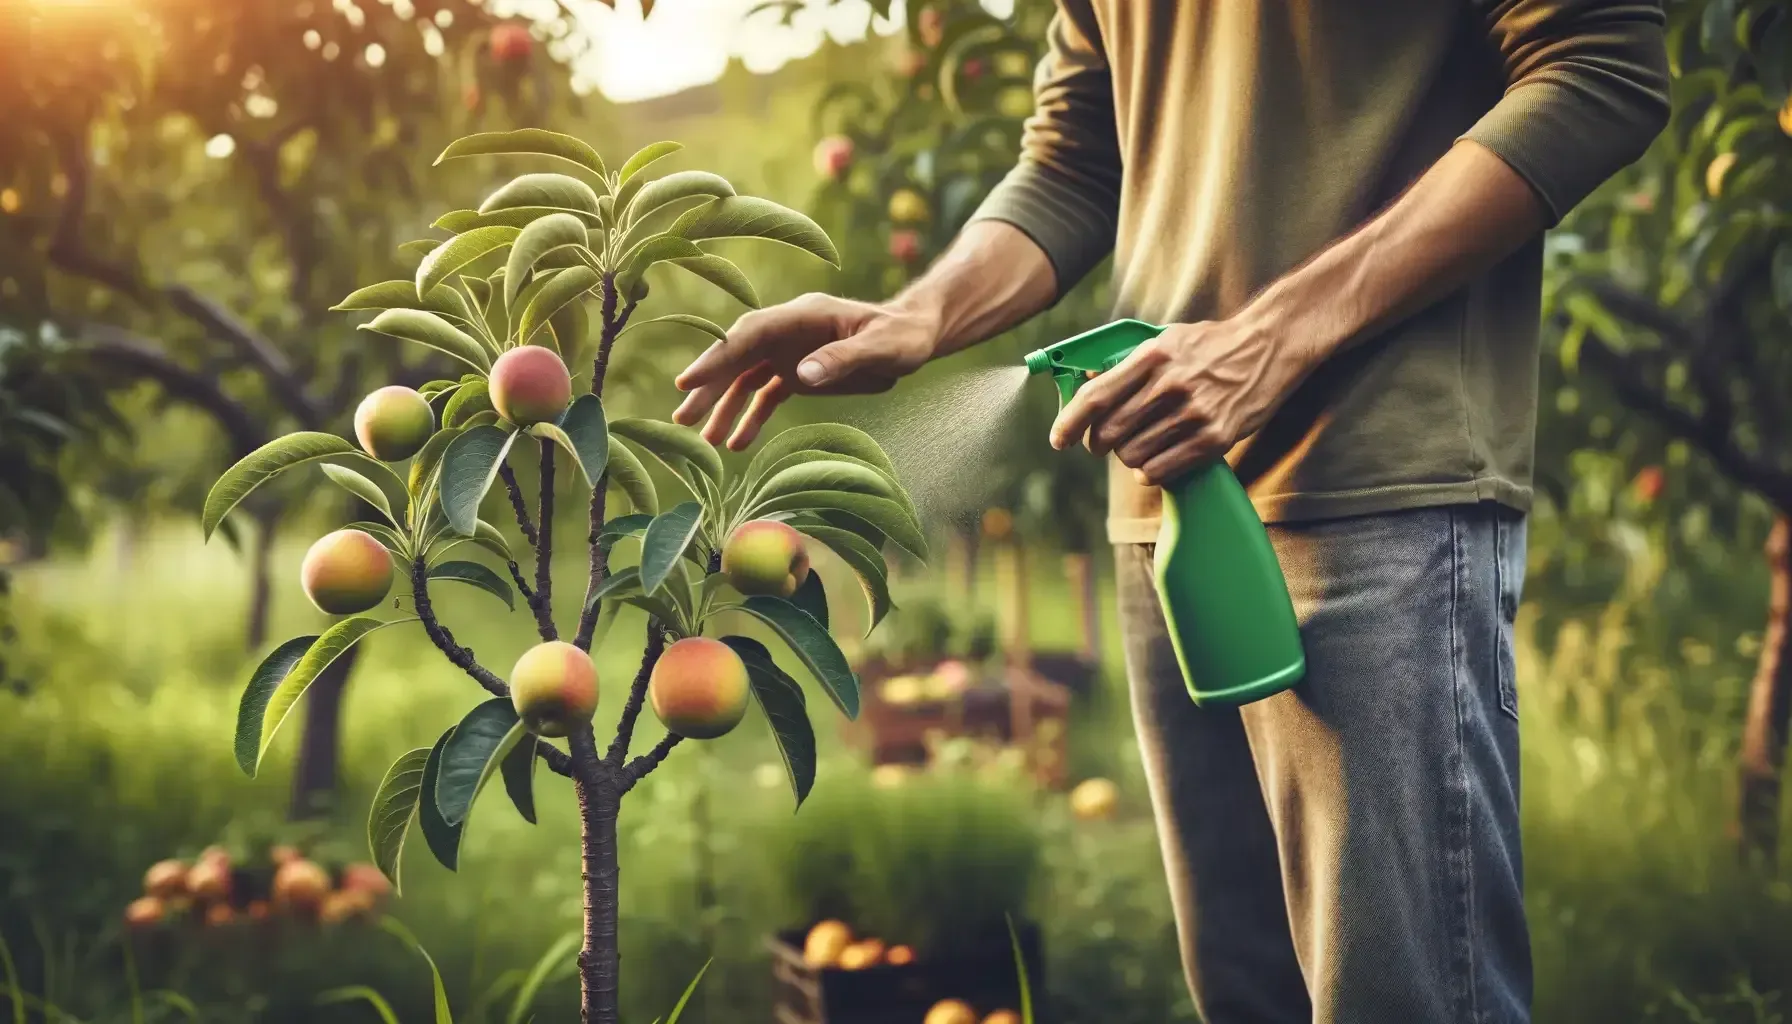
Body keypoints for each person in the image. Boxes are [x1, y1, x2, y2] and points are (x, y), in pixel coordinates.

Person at [673, 2, 1669, 1020]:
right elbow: (1076, 156)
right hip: (1161, 498)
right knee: (1242, 992)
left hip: (1372, 488)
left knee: (1396, 997)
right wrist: (916, 316)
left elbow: (1599, 69)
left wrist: (1271, 337)